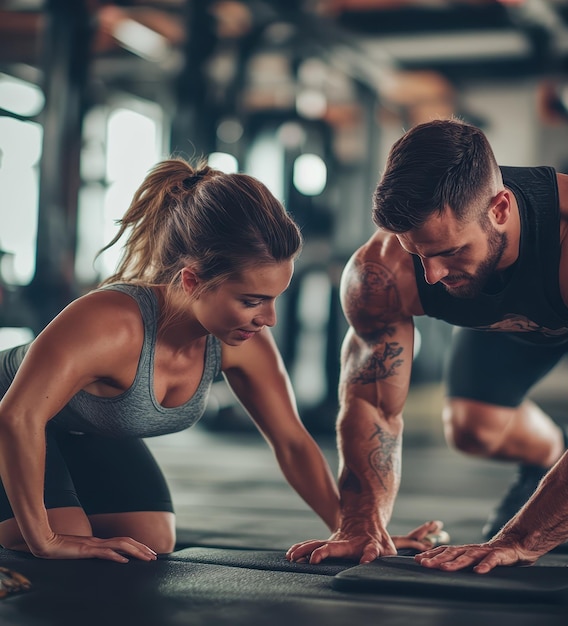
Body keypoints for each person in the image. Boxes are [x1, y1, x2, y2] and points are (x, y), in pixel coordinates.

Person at [0, 158, 439, 563]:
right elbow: (18, 416)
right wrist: (46, 539)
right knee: (55, 547)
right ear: (192, 280)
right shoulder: (110, 325)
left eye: (273, 301)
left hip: (77, 427)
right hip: (9, 415)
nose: (267, 319)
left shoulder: (239, 341)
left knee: (150, 540)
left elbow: (292, 441)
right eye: (251, 300)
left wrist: (355, 528)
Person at [286, 117, 568, 573]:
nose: (432, 276)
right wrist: (362, 524)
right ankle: (550, 450)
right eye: (418, 253)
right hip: (502, 322)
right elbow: (371, 403)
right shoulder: (381, 270)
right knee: (472, 430)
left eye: (449, 252)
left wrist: (519, 539)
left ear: (500, 208)